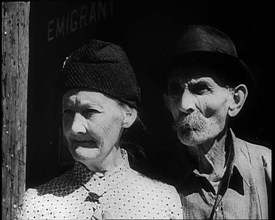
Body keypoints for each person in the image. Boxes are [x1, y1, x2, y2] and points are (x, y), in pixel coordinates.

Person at [17, 40, 183, 219]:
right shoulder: (37, 205)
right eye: (68, 111)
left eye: (90, 111)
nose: (75, 128)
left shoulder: (161, 201)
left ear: (127, 116)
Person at [159, 25, 271, 219]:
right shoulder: (153, 181)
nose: (184, 104)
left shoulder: (265, 166)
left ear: (235, 100)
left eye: (201, 89)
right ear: (167, 102)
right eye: (176, 90)